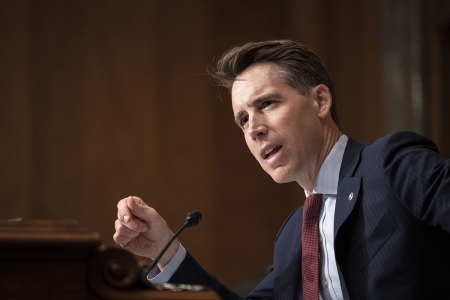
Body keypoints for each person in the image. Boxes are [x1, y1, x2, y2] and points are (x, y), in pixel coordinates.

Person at [113, 40, 450, 300]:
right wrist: (166, 252)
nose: (253, 128)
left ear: (320, 101)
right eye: (243, 119)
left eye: (267, 104)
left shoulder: (391, 164)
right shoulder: (293, 236)